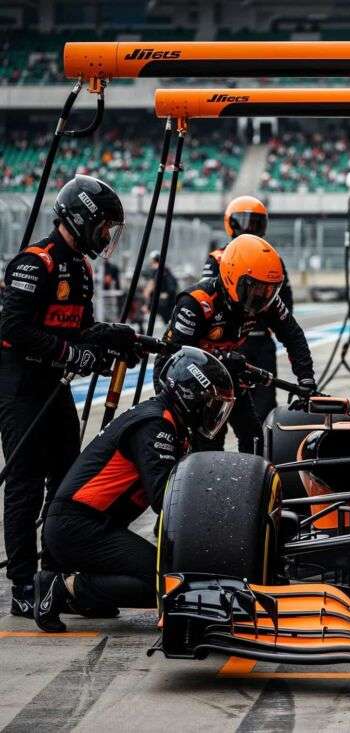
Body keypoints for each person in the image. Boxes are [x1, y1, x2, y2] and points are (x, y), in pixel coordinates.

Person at [0, 174, 136, 619]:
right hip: (20, 385)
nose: (105, 236)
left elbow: (80, 329)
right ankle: (23, 584)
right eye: (104, 226)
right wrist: (70, 353)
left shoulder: (80, 268)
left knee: (66, 482)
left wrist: (111, 338)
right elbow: (13, 328)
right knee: (24, 484)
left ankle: (55, 578)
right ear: (81, 218)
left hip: (54, 386)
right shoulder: (34, 262)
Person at [34, 347, 234, 632]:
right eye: (211, 403)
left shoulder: (167, 420)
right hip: (77, 527)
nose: (213, 412)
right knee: (168, 582)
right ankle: (62, 587)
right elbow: (166, 499)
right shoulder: (156, 424)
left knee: (170, 574)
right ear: (191, 395)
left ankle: (84, 595)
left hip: (90, 526)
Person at [157, 234, 316, 454]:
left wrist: (306, 379)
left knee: (254, 438)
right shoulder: (197, 302)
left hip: (226, 372)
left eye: (269, 290)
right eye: (256, 288)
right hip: (184, 379)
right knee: (208, 442)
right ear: (233, 277)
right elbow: (172, 355)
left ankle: (250, 473)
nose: (262, 296)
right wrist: (217, 359)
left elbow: (293, 335)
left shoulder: (267, 303)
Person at [203, 195, 293, 424]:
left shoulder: (272, 259)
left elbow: (285, 299)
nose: (249, 228)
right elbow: (209, 300)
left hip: (261, 340)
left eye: (255, 223)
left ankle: (259, 444)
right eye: (244, 222)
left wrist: (275, 322)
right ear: (231, 223)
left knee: (265, 404)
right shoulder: (217, 259)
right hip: (227, 343)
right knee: (218, 405)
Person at [145, 253, 178, 325]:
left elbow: (150, 287)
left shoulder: (158, 271)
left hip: (163, 303)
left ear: (153, 260)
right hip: (168, 302)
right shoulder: (166, 270)